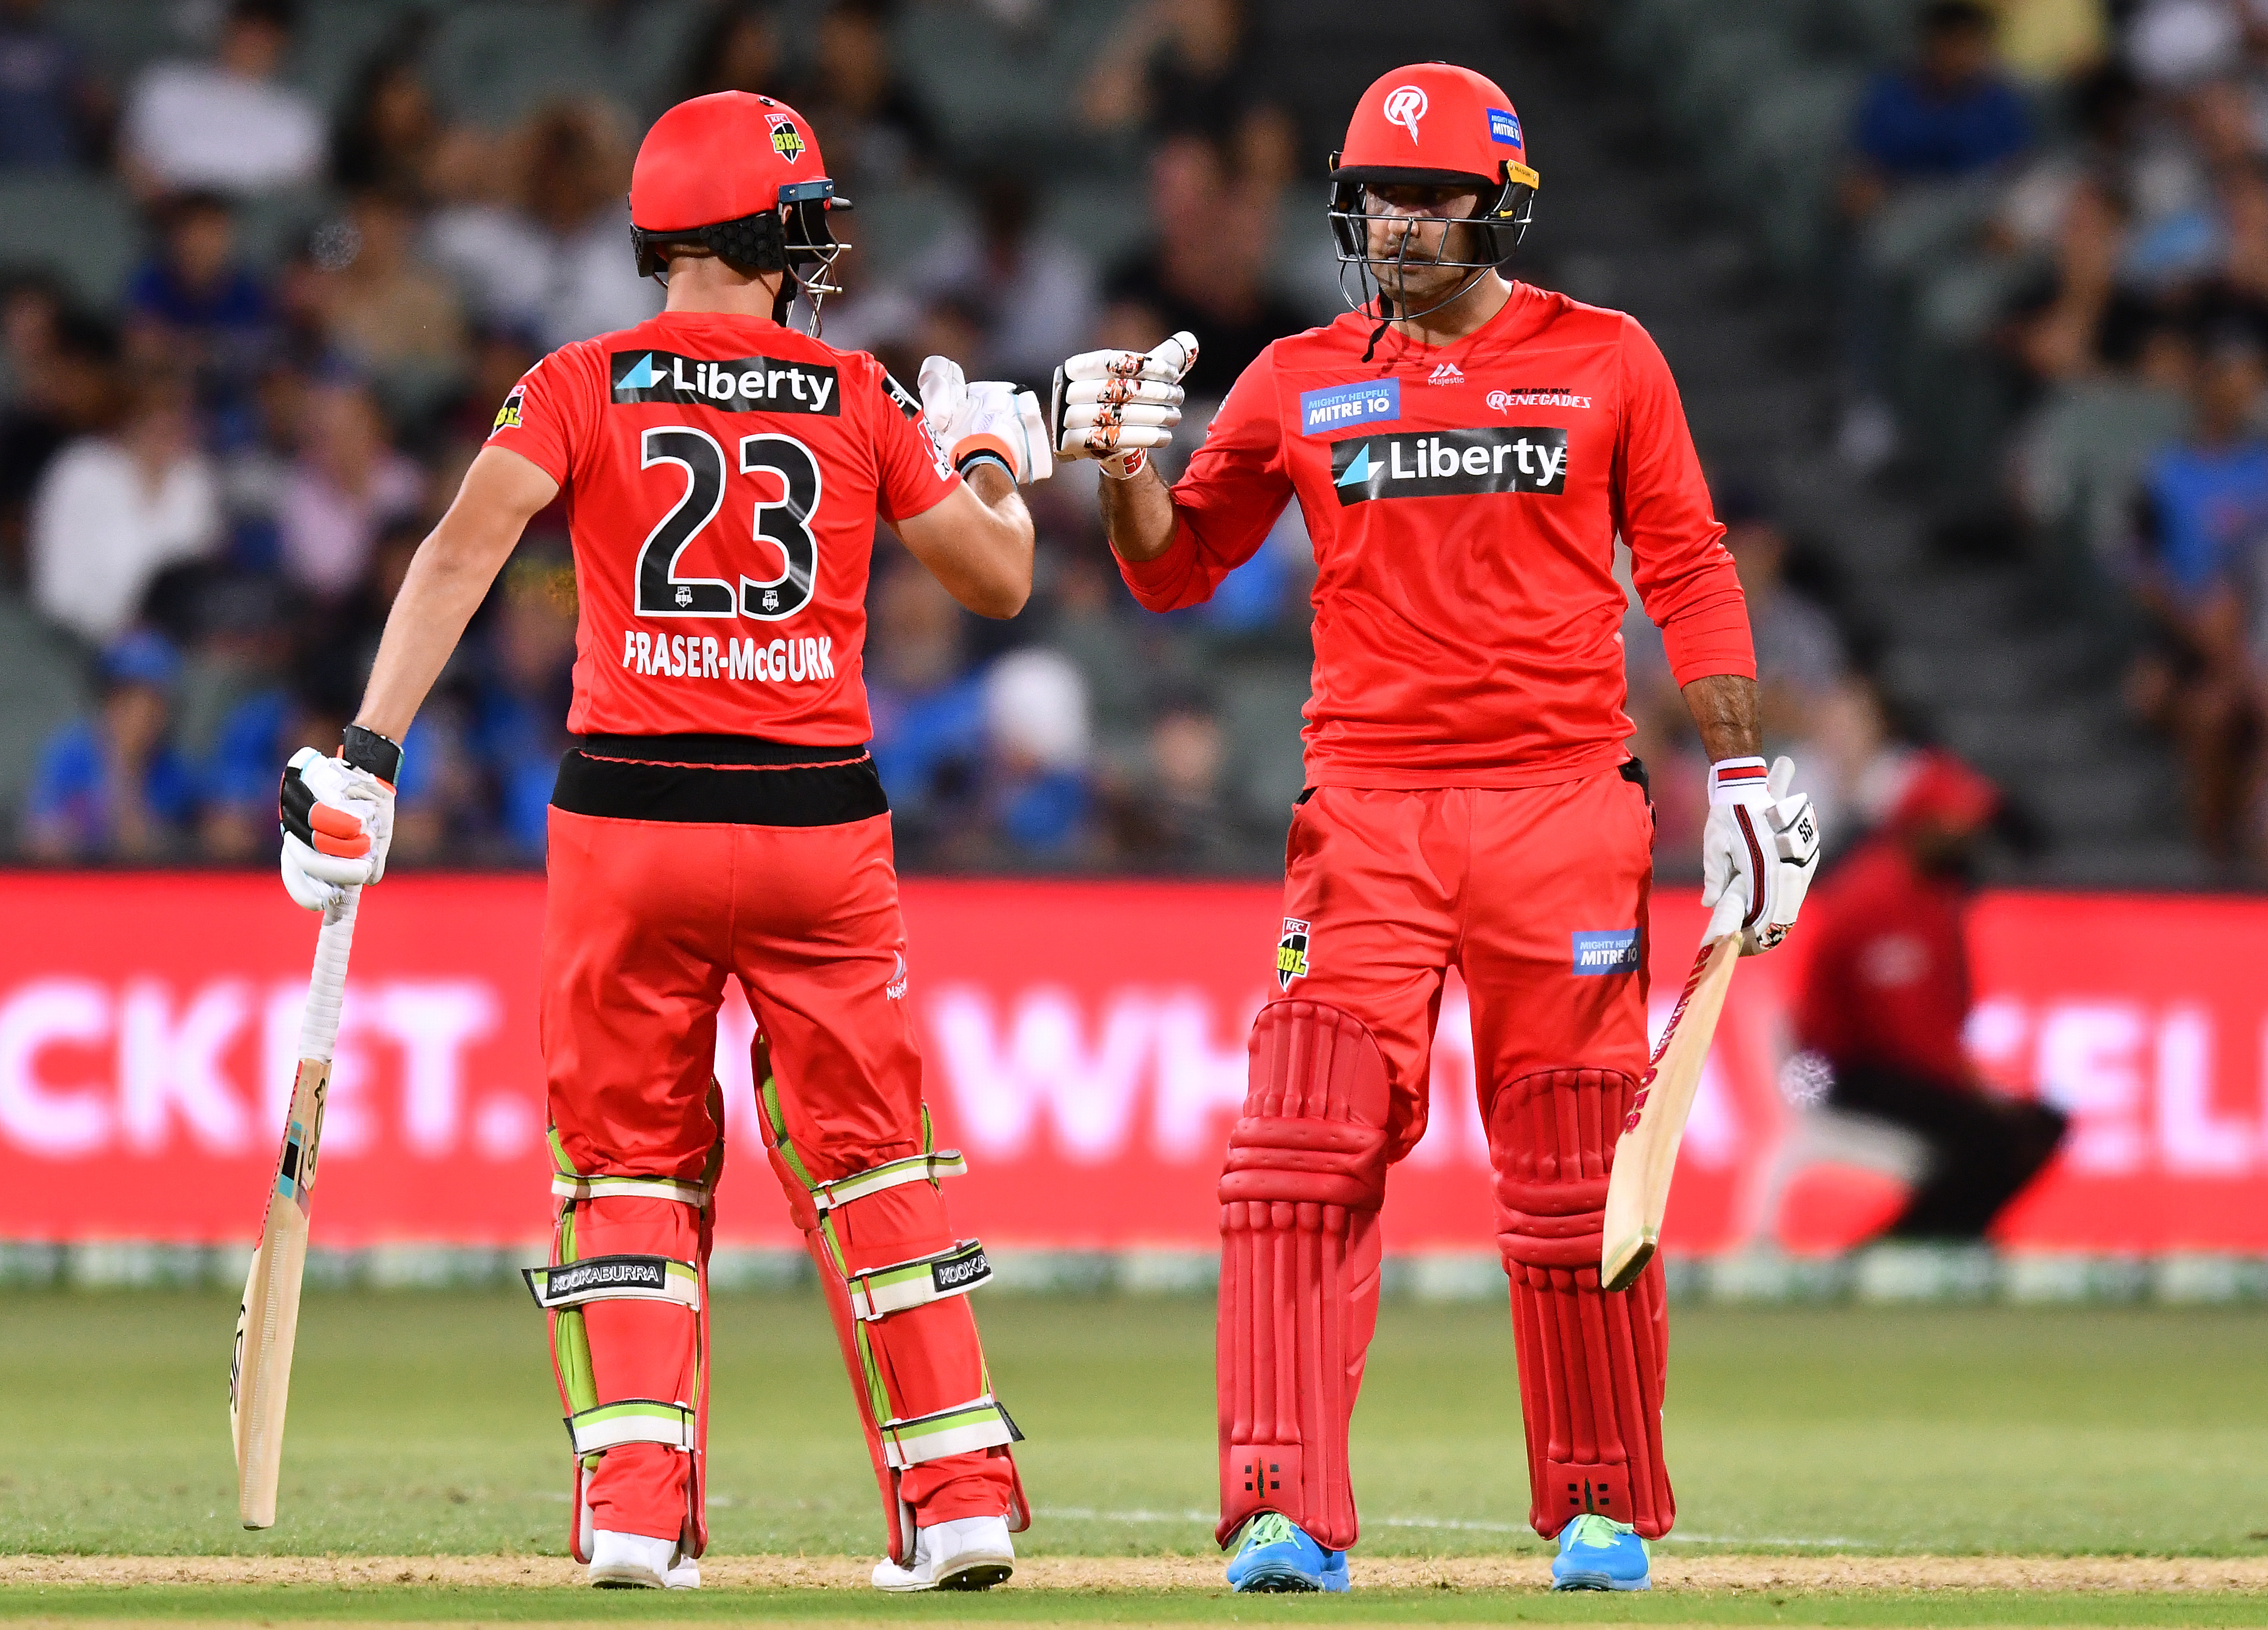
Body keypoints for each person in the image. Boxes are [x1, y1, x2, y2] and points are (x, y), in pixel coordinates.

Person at [1053, 64, 1821, 1593]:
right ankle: (1278, 1505)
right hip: (1366, 818)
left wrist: (1741, 774)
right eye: (1378, 196)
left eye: (1430, 197)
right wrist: (1124, 466)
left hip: (1563, 811)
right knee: (1296, 1152)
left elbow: (1687, 566)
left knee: (1570, 1166)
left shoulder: (1608, 360)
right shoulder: (1291, 377)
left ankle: (1601, 1506)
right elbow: (1172, 570)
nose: (1398, 224)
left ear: (1499, 205)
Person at [268, 91, 1051, 1593]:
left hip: (630, 815)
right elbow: (998, 579)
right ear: (769, 238)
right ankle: (957, 1497)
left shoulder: (580, 378)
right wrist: (991, 456)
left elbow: (457, 551)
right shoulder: (856, 389)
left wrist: (368, 751)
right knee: (878, 1159)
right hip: (821, 827)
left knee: (624, 1158)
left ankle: (635, 1506)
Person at [1792, 751, 2068, 1236]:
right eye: (1955, 821)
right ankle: (1909, 1246)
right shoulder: (1872, 899)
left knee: (2037, 1125)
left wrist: (1974, 1088)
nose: (1970, 834)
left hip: (1902, 1070)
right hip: (1836, 1074)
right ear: (1919, 823)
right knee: (1987, 1137)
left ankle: (1943, 1238)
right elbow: (1896, 1036)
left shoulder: (1937, 897)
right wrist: (1976, 1096)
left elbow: (1941, 1022)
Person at [25, 629, 200, 861]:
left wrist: (129, 767)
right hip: (77, 883)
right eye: (127, 699)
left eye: (155, 703)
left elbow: (159, 851)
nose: (143, 715)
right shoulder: (69, 752)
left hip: (142, 888)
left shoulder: (174, 768)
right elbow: (41, 841)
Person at [119, 0, 323, 198]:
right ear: (226, 29)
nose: (253, 45)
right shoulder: (165, 85)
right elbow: (129, 163)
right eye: (248, 32)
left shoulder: (296, 116)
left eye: (266, 38)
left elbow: (300, 192)